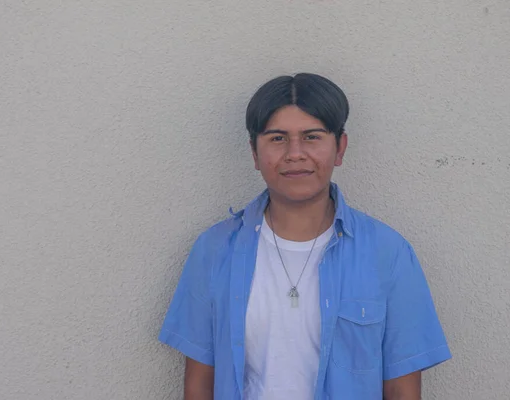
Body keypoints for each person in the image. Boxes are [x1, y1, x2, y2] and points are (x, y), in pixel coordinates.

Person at [158, 73, 451, 400]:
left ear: (339, 148)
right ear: (254, 153)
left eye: (312, 137)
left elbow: (402, 389)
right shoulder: (213, 251)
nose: (295, 154)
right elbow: (200, 385)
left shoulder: (388, 254)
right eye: (277, 138)